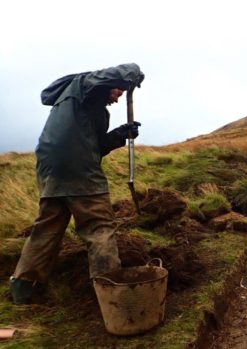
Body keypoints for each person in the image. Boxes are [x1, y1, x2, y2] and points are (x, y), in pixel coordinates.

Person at [9, 63, 145, 304]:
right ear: (108, 84)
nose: (120, 95)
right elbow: (117, 73)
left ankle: (23, 288)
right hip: (78, 169)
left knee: (47, 228)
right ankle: (110, 293)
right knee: (99, 226)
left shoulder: (82, 104)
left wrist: (118, 135)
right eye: (118, 90)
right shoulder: (82, 85)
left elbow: (94, 147)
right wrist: (133, 73)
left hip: (51, 170)